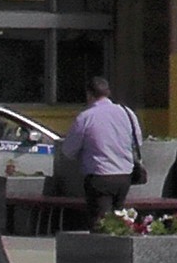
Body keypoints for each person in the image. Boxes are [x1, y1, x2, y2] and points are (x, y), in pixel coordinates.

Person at [58, 76, 143, 222]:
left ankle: (104, 244)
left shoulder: (85, 117)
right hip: (124, 175)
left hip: (99, 176)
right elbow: (137, 142)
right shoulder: (127, 112)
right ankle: (117, 244)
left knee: (100, 221)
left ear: (89, 94)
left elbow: (68, 151)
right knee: (118, 220)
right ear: (108, 92)